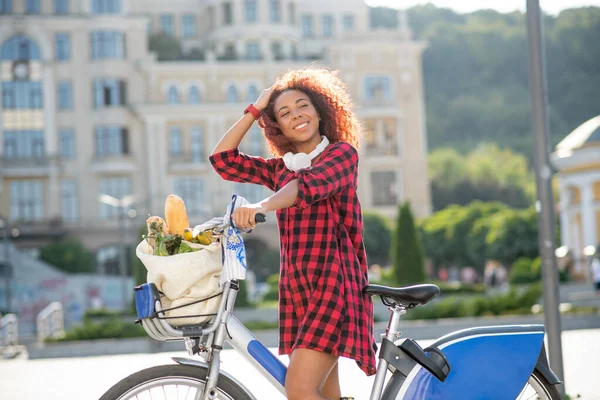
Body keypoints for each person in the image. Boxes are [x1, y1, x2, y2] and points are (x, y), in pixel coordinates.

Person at [209, 68, 377, 400]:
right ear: (278, 127)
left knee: (299, 390)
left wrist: (261, 206)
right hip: (299, 289)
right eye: (284, 113)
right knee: (322, 394)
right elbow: (222, 160)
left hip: (335, 284)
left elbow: (306, 187)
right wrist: (256, 110)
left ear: (320, 111)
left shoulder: (341, 154)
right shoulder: (281, 168)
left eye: (303, 106)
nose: (296, 115)